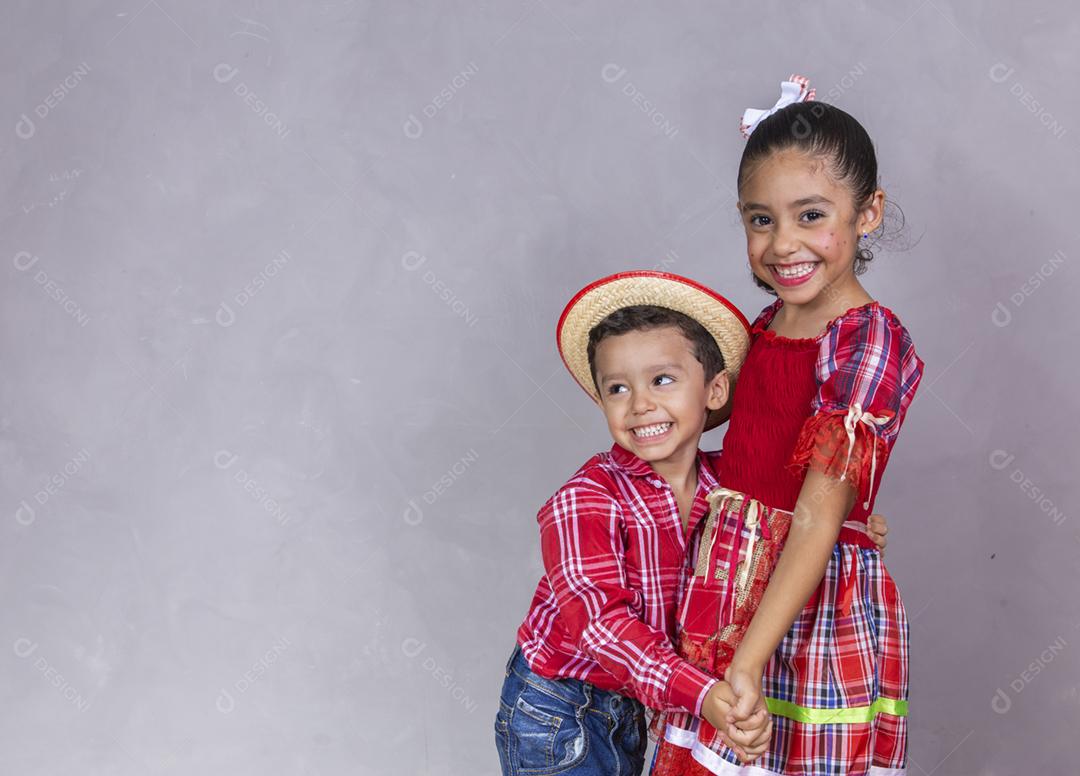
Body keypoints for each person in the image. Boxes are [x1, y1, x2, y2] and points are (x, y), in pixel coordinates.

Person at [494, 272, 890, 775]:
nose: (640, 404)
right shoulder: (586, 499)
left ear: (715, 388)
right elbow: (601, 628)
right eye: (617, 388)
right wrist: (703, 696)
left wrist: (851, 528)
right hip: (559, 707)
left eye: (662, 380)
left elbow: (791, 520)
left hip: (644, 700)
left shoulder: (727, 489)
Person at [651, 76, 924, 776]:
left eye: (810, 215)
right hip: (726, 583)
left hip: (798, 611)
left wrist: (746, 664)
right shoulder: (766, 326)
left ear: (868, 213)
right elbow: (727, 444)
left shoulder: (867, 340)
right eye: (760, 219)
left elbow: (816, 514)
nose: (783, 244)